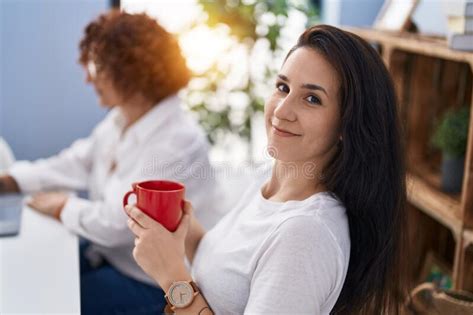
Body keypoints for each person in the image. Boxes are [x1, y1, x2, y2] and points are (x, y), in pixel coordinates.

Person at [125, 24, 408, 314]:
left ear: (346, 126)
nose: (282, 111)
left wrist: (172, 278)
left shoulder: (306, 235)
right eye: (283, 87)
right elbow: (225, 275)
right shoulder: (267, 183)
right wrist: (180, 226)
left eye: (312, 99)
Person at [0, 10, 222, 314]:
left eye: (98, 66)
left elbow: (118, 222)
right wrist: (11, 180)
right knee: (26, 275)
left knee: (42, 302)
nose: (88, 78)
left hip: (150, 282)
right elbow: (76, 162)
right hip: (112, 257)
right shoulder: (122, 119)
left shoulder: (176, 141)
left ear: (132, 73)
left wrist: (62, 206)